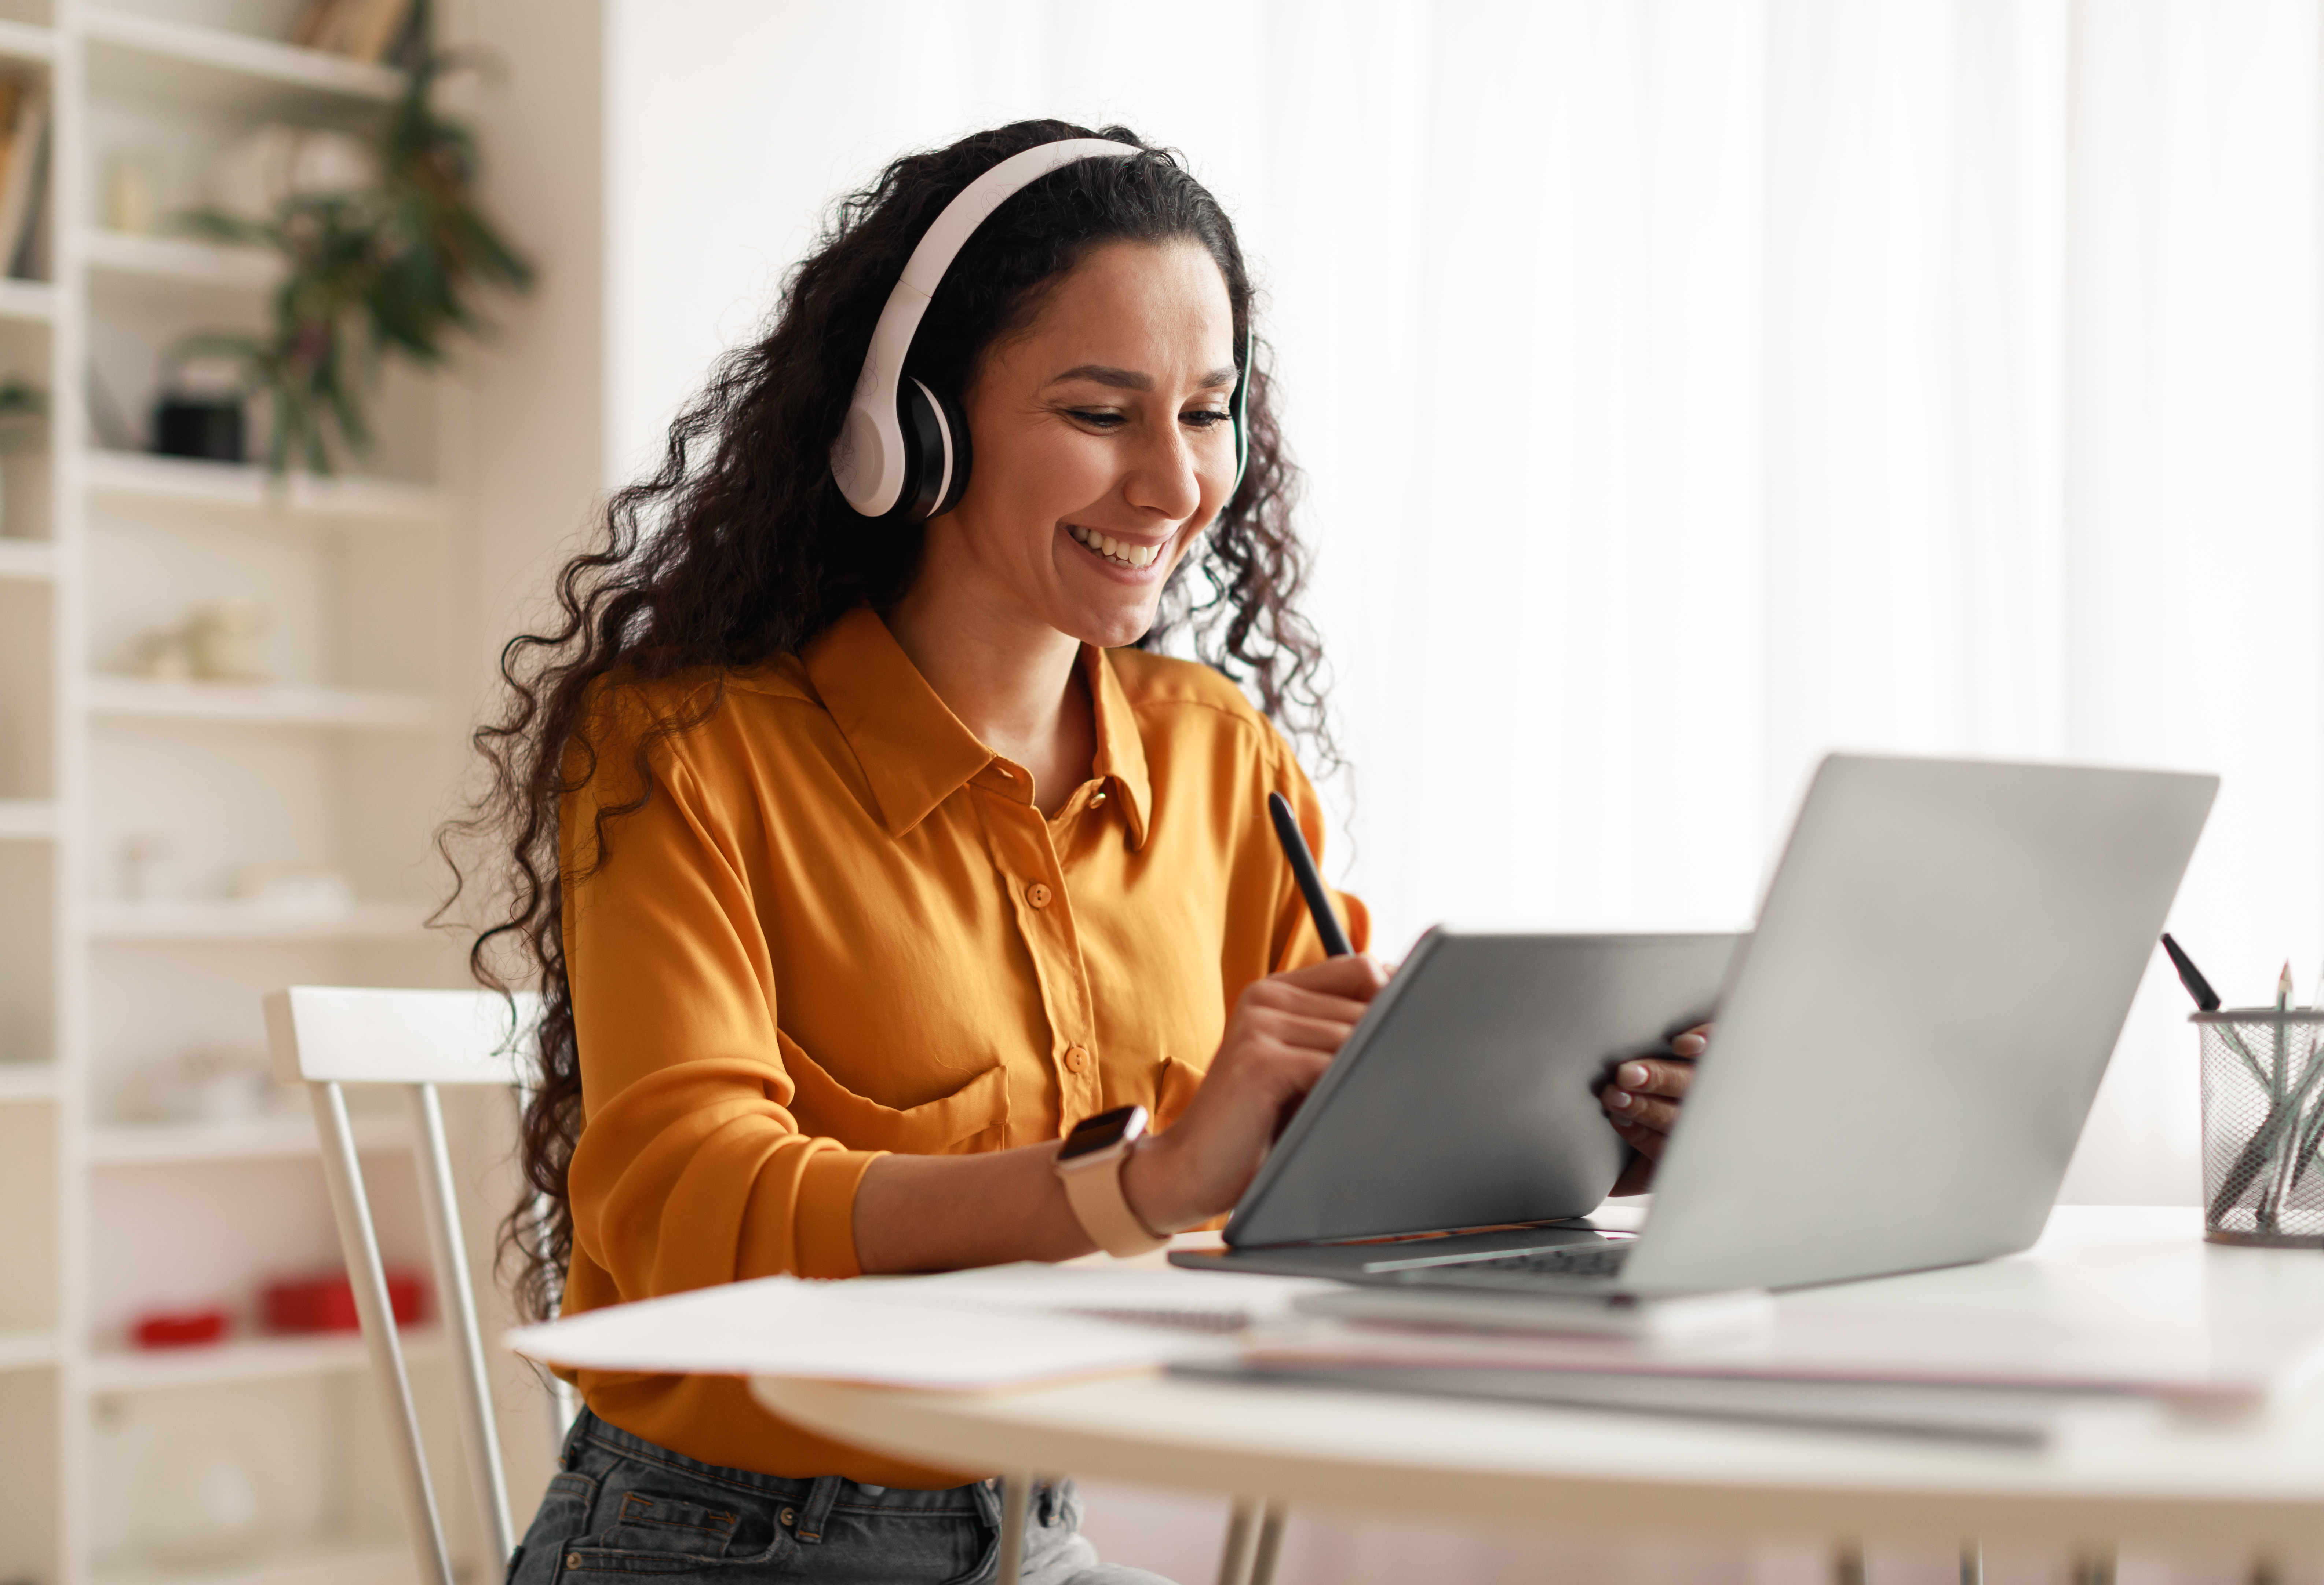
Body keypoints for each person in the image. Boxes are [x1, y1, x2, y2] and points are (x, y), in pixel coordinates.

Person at [459, 119, 1702, 1585]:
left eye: (1207, 411)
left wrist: (1596, 1129)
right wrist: (1145, 1180)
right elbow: (677, 1207)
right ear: (912, 426)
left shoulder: (1219, 755)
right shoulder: (686, 751)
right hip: (718, 1545)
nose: (1175, 486)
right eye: (1102, 412)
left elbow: (1340, 1153)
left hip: (1036, 1536)